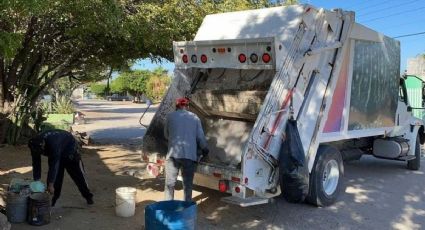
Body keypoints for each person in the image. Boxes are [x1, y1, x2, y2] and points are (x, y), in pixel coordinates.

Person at [28, 129, 93, 206]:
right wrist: (37, 180)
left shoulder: (53, 144)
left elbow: (53, 165)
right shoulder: (33, 144)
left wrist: (50, 184)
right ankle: (53, 200)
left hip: (70, 150)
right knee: (57, 179)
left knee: (78, 176)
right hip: (57, 148)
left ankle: (88, 196)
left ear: (43, 145)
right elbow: (36, 163)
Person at [164, 97, 209, 202]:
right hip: (189, 156)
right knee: (187, 184)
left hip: (172, 156)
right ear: (187, 106)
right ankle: (187, 206)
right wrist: (205, 149)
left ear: (177, 106)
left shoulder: (170, 117)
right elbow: (200, 138)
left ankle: (167, 206)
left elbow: (166, 135)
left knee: (170, 184)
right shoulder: (195, 118)